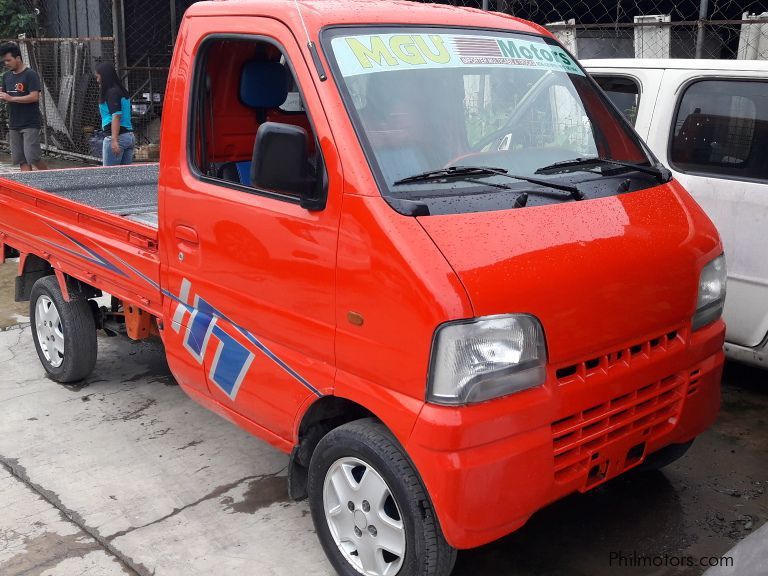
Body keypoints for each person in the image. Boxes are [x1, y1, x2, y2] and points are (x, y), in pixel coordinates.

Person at [0, 42, 47, 171]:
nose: (6, 63)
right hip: (14, 123)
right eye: (4, 61)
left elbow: (34, 96)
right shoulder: (6, 76)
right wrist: (3, 96)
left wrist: (11, 98)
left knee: (33, 157)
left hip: (30, 123)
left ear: (18, 58)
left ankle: (53, 177)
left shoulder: (30, 74)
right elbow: (4, 94)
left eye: (9, 60)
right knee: (21, 159)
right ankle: (28, 186)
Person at [95, 62, 134, 166]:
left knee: (110, 176)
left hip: (118, 137)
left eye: (98, 77)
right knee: (125, 177)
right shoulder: (121, 91)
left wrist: (114, 140)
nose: (97, 80)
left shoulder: (111, 92)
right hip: (128, 136)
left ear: (104, 76)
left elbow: (116, 115)